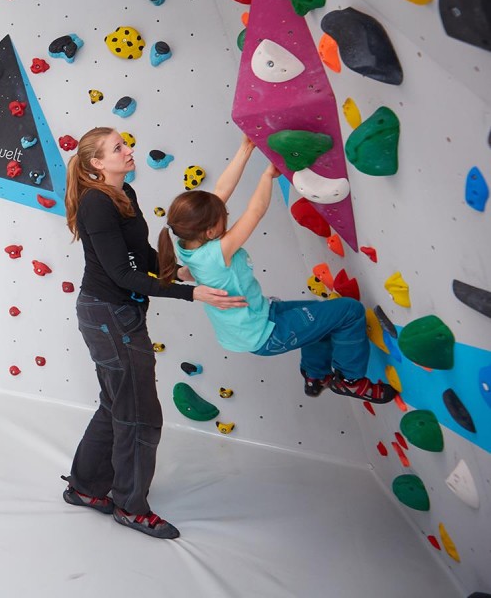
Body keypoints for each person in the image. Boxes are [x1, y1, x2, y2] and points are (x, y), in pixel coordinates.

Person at [60, 127, 247, 540]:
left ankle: (86, 489)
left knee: (116, 405)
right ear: (96, 163)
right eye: (118, 148)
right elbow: (122, 274)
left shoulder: (125, 194)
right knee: (140, 415)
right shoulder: (96, 204)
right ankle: (130, 506)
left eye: (125, 144)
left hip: (118, 314)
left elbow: (139, 256)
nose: (129, 150)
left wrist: (176, 271)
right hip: (108, 317)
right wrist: (190, 293)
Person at [156, 135, 396, 404]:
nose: (226, 214)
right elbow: (255, 212)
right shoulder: (215, 253)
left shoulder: (186, 241)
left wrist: (245, 148)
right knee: (349, 312)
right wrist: (267, 176)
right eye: (224, 217)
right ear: (211, 230)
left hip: (257, 318)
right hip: (264, 334)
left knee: (321, 318)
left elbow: (221, 190)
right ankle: (350, 381)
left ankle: (316, 375)